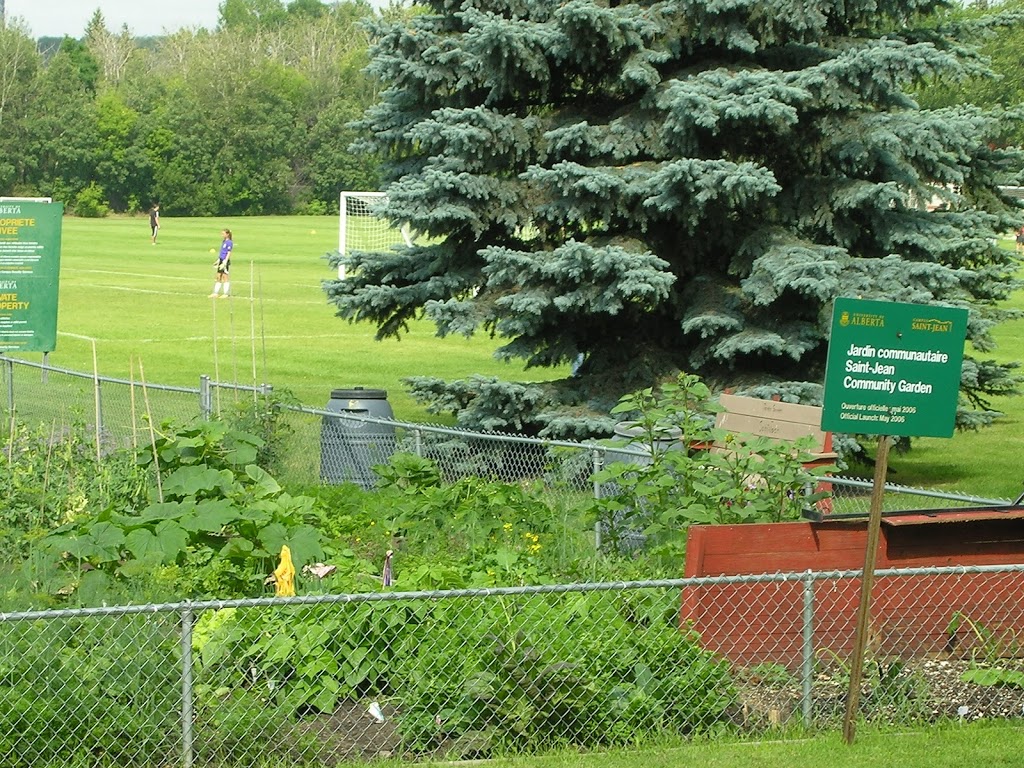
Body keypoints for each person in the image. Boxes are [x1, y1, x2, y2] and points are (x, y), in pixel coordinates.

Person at [209, 229, 233, 297]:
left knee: (225, 276)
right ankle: (215, 293)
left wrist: (225, 261)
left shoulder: (229, 242)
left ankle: (226, 293)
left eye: (223, 234)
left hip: (225, 261)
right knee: (218, 276)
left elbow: (229, 252)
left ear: (227, 234)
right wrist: (218, 260)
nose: (222, 235)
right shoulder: (224, 241)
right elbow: (222, 252)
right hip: (221, 260)